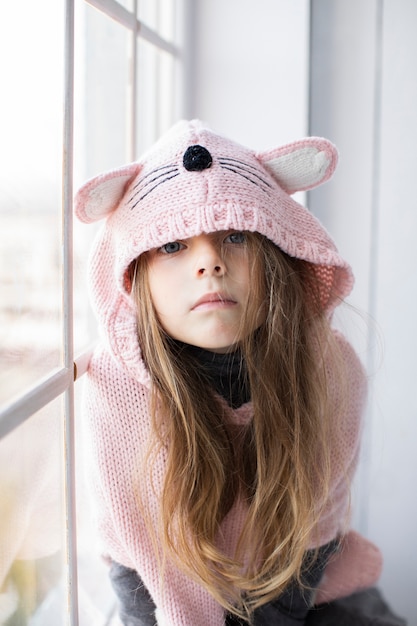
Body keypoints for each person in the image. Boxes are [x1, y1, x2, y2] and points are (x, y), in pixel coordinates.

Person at [74, 120, 383, 626]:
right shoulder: (116, 388)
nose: (211, 262)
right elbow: (137, 558)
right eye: (173, 246)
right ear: (135, 275)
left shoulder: (332, 369)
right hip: (157, 595)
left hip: (299, 584)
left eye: (235, 235)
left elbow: (313, 536)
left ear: (279, 256)